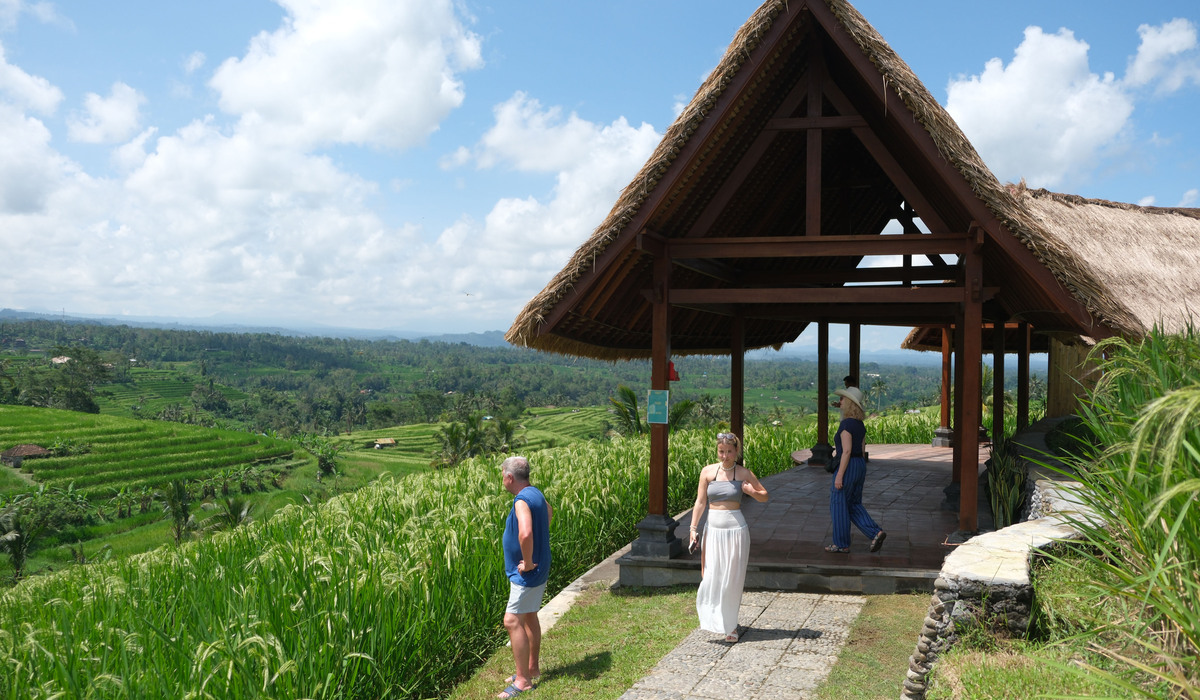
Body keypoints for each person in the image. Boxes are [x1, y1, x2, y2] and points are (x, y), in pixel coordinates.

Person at [688, 432, 769, 642]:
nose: (725, 456)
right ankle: (713, 618)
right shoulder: (707, 472)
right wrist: (693, 528)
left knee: (732, 578)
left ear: (736, 452)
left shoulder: (743, 473)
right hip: (712, 530)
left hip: (736, 530)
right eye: (721, 451)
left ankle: (730, 626)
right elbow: (700, 503)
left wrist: (751, 492)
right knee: (712, 576)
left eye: (729, 452)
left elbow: (765, 496)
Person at [498, 456, 553, 699]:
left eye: (502, 474)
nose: (502, 478)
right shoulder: (535, 492)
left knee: (512, 621)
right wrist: (540, 544)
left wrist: (529, 561)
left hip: (528, 572)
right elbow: (549, 512)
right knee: (529, 615)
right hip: (539, 566)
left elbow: (525, 532)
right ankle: (531, 668)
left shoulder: (521, 500)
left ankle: (523, 680)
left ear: (510, 477)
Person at [825, 387, 886, 554]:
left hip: (849, 464)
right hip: (860, 464)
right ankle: (875, 532)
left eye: (843, 399)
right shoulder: (859, 424)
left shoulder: (846, 425)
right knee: (853, 504)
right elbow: (862, 447)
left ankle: (841, 543)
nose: (841, 402)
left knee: (838, 502)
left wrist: (839, 476)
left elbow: (846, 451)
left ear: (850, 402)